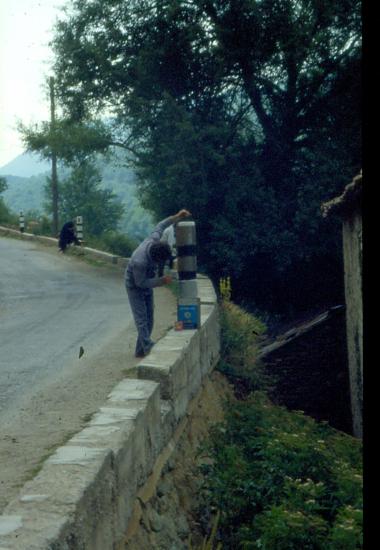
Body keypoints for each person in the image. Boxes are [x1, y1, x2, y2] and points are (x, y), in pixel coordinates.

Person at [125, 209, 191, 357]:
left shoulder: (154, 240)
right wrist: (161, 281)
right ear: (154, 259)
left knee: (150, 317)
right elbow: (140, 283)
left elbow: (161, 225)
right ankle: (148, 347)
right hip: (134, 285)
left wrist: (176, 216)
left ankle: (140, 350)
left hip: (146, 280)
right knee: (141, 318)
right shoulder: (139, 261)